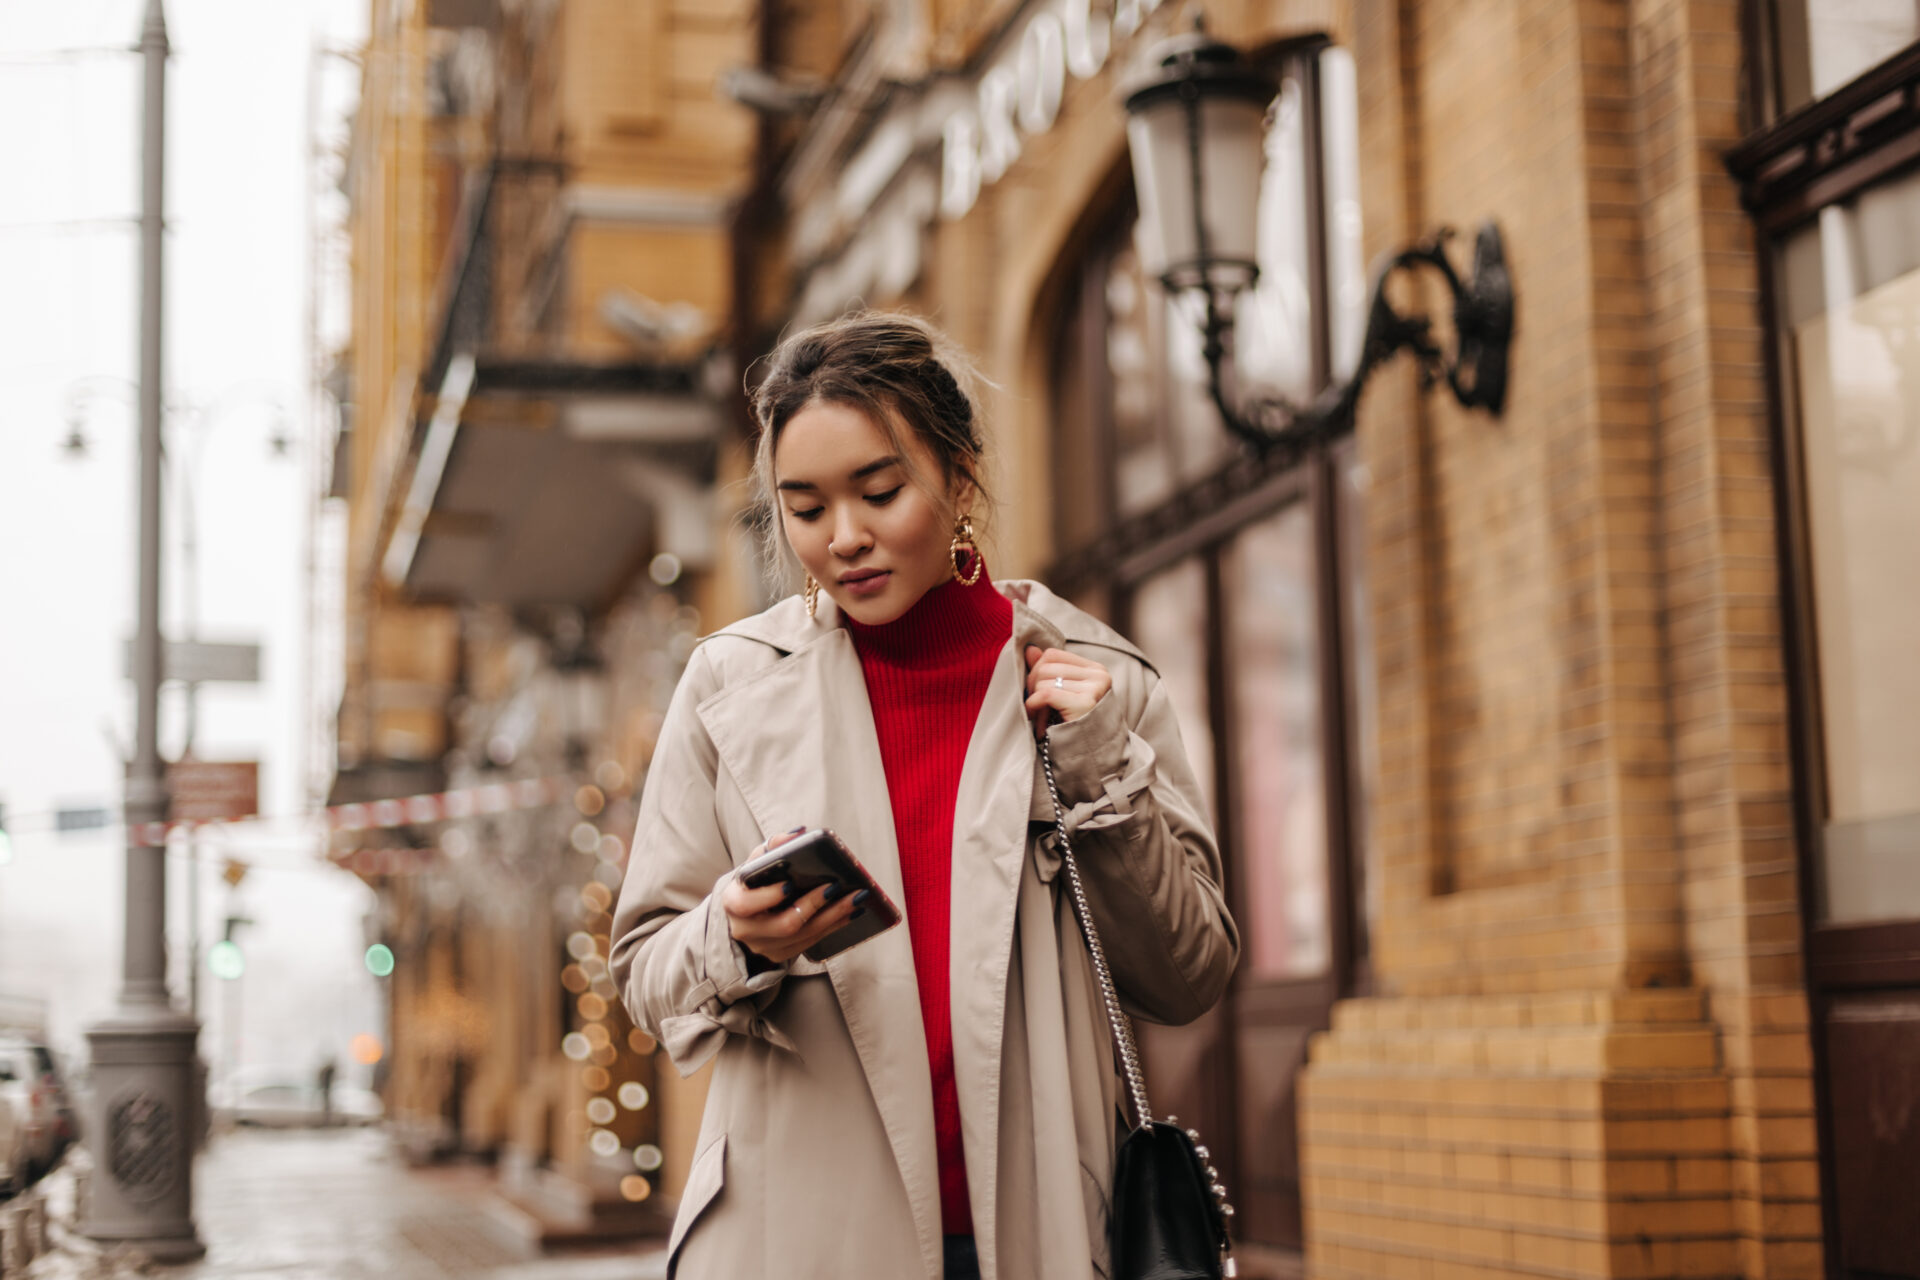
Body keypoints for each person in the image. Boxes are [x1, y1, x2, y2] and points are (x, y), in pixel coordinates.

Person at [610, 312, 1238, 1280]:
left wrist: (1101, 770)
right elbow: (645, 969)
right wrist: (734, 935)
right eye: (805, 507)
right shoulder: (727, 690)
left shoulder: (1094, 681)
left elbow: (1189, 970)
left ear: (959, 472)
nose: (846, 538)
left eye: (880, 489)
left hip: (1045, 1230)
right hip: (798, 1240)